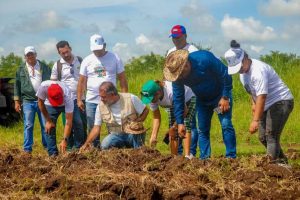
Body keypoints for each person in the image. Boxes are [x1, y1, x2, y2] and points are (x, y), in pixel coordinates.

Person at [224, 40, 294, 164]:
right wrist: (253, 103)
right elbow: (252, 91)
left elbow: (262, 96)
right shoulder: (243, 74)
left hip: (281, 101)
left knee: (271, 135)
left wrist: (255, 120)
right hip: (265, 104)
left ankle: (270, 166)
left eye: (239, 66)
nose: (239, 70)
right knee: (263, 137)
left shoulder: (258, 71)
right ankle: (281, 161)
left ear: (245, 58)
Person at [163, 49, 236, 160]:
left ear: (186, 64)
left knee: (226, 124)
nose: (181, 77)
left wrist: (225, 96)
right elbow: (178, 99)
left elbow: (225, 74)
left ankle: (231, 157)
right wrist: (180, 122)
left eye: (182, 73)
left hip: (220, 97)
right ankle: (204, 159)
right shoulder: (178, 77)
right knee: (202, 129)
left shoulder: (205, 59)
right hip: (202, 100)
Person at [77, 34, 128, 147]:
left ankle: (114, 149)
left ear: (104, 45)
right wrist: (79, 99)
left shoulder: (115, 57)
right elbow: (81, 81)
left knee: (114, 126)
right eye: (95, 50)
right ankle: (95, 150)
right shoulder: (87, 60)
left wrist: (124, 97)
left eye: (99, 49)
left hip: (111, 100)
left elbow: (122, 79)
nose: (97, 52)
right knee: (93, 127)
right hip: (92, 101)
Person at [80, 82, 148, 151]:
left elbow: (145, 110)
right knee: (105, 145)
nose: (101, 99)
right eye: (100, 97)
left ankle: (139, 153)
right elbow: (96, 128)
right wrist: (86, 144)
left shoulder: (131, 98)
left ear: (112, 94)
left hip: (132, 134)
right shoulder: (100, 106)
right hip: (116, 135)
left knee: (138, 142)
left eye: (103, 97)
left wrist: (138, 121)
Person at [141, 80, 196, 159]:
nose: (150, 101)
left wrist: (175, 126)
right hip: (173, 104)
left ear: (158, 93)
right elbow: (156, 117)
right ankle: (174, 157)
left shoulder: (171, 92)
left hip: (188, 99)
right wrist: (153, 136)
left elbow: (184, 111)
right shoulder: (152, 98)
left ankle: (188, 156)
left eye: (151, 99)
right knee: (172, 130)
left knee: (184, 123)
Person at [167, 25, 199, 157]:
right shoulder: (170, 51)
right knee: (176, 123)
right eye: (174, 38)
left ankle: (190, 153)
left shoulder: (192, 50)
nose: (176, 40)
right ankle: (179, 154)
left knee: (190, 123)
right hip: (176, 91)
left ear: (185, 36)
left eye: (178, 37)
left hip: (190, 91)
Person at [14, 46, 51, 153]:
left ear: (36, 54)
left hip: (42, 100)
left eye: (32, 54)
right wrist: (17, 101)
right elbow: (17, 85)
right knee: (28, 125)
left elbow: (50, 83)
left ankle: (47, 146)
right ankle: (27, 149)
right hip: (27, 101)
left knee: (45, 124)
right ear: (25, 57)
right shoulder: (20, 69)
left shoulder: (44, 67)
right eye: (27, 55)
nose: (30, 56)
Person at [51, 40, 86, 150]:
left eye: (67, 51)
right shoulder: (57, 65)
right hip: (66, 100)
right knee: (70, 123)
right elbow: (53, 83)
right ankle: (72, 147)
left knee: (82, 123)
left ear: (70, 48)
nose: (66, 54)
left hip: (81, 98)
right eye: (62, 53)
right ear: (59, 53)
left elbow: (87, 77)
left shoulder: (80, 60)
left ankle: (82, 145)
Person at [36, 80, 74, 156]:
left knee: (75, 124)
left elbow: (68, 121)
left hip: (65, 104)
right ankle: (53, 154)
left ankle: (70, 149)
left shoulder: (68, 95)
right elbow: (40, 103)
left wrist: (64, 139)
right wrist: (48, 120)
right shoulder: (43, 87)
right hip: (50, 105)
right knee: (49, 129)